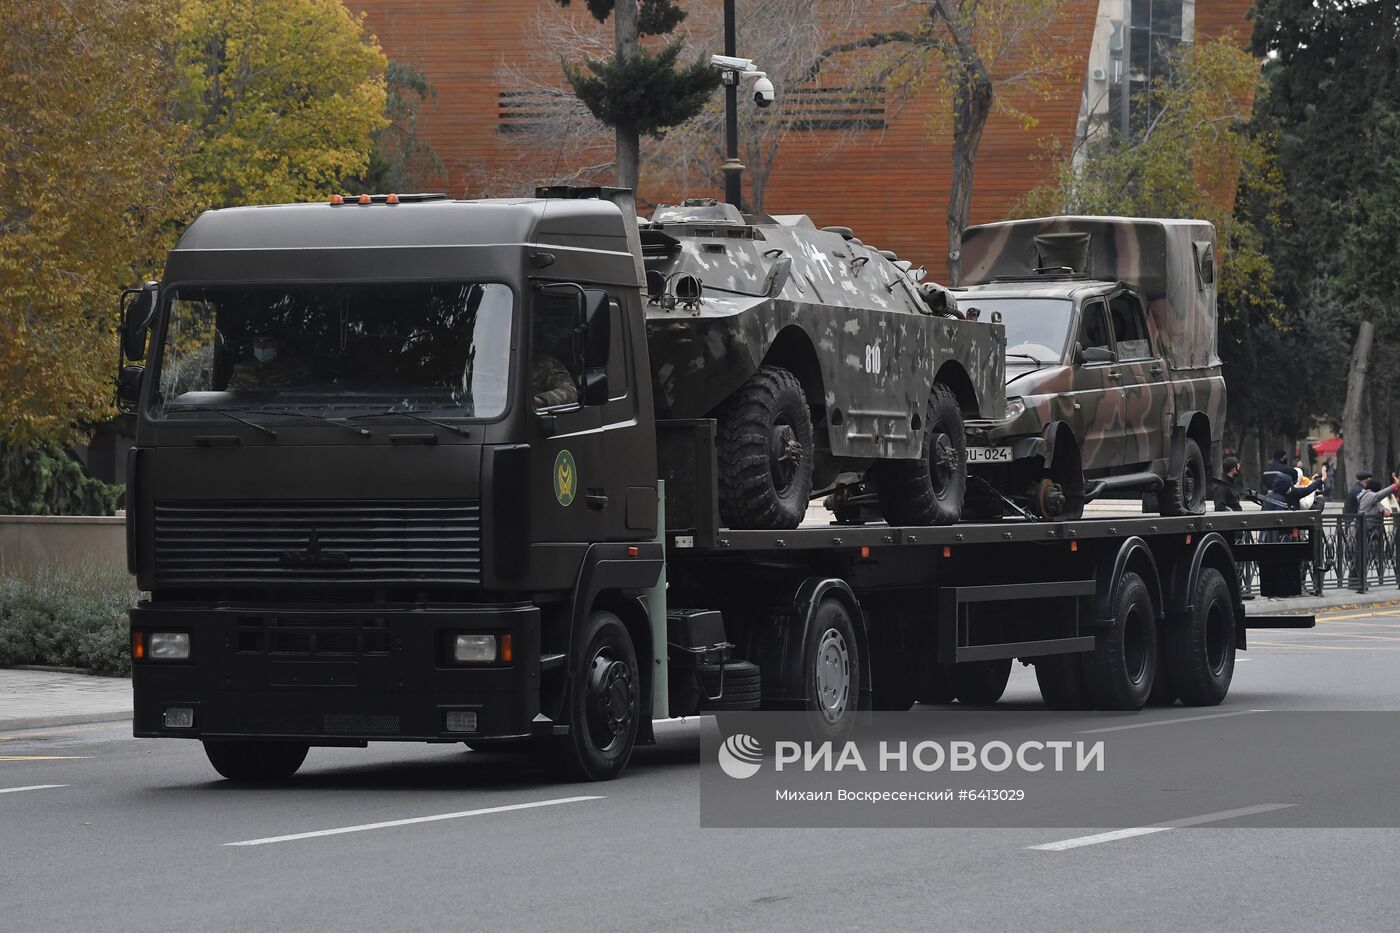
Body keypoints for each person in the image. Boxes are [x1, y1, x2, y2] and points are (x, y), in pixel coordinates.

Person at [227, 335, 310, 392]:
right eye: (258, 341)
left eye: (268, 341)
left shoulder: (295, 369)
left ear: (279, 343)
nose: (262, 346)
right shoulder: (241, 370)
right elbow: (229, 400)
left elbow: (306, 399)